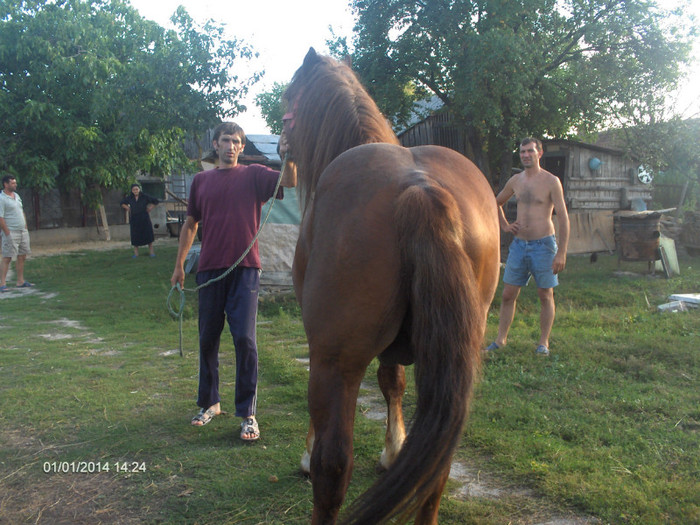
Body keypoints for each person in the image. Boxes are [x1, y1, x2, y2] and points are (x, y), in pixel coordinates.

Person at [170, 122, 295, 441]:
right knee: (207, 338)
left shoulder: (255, 175)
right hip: (210, 269)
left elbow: (290, 180)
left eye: (236, 141)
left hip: (245, 270)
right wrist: (179, 266)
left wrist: (288, 154)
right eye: (225, 140)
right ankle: (210, 403)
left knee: (245, 340)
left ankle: (248, 413)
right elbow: (190, 225)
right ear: (216, 144)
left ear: (241, 147)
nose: (231, 145)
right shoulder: (201, 181)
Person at [486, 138, 570, 356]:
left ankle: (543, 343)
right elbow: (495, 202)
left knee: (545, 294)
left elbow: (563, 216)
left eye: (530, 151)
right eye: (522, 152)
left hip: (544, 245)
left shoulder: (552, 181)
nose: (525, 155)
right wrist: (505, 225)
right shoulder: (515, 180)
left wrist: (561, 252)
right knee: (507, 294)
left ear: (539, 153)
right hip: (519, 246)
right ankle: (500, 340)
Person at [1, 174, 33, 292]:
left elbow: (21, 210)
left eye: (15, 182)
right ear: (6, 184)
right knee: (7, 257)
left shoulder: (17, 196)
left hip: (22, 231)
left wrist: (25, 226)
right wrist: (7, 232)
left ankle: (20, 281)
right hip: (11, 232)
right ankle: (2, 284)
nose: (15, 185)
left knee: (22, 255)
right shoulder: (2, 199)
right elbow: (1, 217)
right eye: (13, 183)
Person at [120, 183, 159, 257]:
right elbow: (122, 203)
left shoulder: (144, 196)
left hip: (144, 218)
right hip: (134, 219)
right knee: (135, 236)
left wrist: (150, 207)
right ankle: (136, 254)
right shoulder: (130, 198)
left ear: (139, 189)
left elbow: (156, 201)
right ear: (132, 191)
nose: (135, 191)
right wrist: (128, 208)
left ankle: (151, 252)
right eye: (134, 190)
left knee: (148, 235)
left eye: (136, 189)